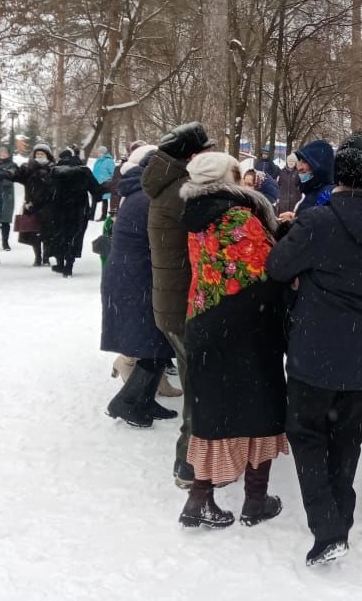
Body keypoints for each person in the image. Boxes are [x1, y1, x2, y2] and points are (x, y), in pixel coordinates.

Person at [266, 133, 362, 567]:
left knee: (307, 437)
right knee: (347, 441)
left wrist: (295, 246)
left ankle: (328, 530)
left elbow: (277, 267)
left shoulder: (321, 222)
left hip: (316, 352)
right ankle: (339, 521)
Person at [178, 151, 288, 530]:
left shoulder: (196, 214)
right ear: (230, 176)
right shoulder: (237, 217)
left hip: (205, 321)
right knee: (262, 411)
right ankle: (255, 500)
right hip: (247, 329)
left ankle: (199, 498)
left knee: (213, 414)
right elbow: (266, 272)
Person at [143, 122, 217, 489]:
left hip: (172, 303)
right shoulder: (183, 193)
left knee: (197, 383)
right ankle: (188, 464)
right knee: (200, 389)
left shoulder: (168, 186)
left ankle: (198, 458)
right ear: (191, 157)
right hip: (185, 304)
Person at [101, 144, 179, 428]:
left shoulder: (141, 192)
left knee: (155, 344)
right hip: (137, 279)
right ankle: (126, 402)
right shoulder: (148, 198)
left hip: (136, 276)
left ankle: (143, 400)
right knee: (152, 343)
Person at [44, 149, 104, 277]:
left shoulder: (54, 171)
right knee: (74, 236)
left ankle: (60, 263)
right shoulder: (83, 171)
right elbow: (96, 190)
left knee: (59, 235)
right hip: (78, 209)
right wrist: (105, 187)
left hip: (58, 209)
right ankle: (69, 266)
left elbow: (48, 191)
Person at [4, 144, 55, 266]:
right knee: (34, 233)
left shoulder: (53, 168)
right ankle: (38, 257)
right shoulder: (28, 169)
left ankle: (46, 257)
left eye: (42, 154)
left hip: (49, 205)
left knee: (48, 233)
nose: (39, 156)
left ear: (47, 155)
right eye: (37, 154)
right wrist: (10, 172)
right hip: (32, 205)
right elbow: (16, 176)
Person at [283, 140, 334, 221]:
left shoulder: (325, 196)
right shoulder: (314, 190)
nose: (299, 167)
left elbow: (314, 228)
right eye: (299, 161)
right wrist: (295, 218)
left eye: (304, 161)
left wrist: (294, 224)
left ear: (319, 165)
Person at [109, 141, 146, 215]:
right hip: (125, 208)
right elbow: (115, 190)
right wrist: (114, 210)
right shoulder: (122, 168)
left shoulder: (151, 168)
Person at [0, 146, 15, 251]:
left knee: (5, 220)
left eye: (5, 152)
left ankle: (5, 242)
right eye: (1, 151)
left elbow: (11, 178)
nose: (3, 154)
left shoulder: (12, 165)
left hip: (7, 195)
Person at [92, 146, 116, 221]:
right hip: (97, 183)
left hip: (105, 184)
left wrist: (108, 180)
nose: (98, 154)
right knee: (94, 199)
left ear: (104, 153)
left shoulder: (109, 161)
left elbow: (113, 173)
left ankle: (103, 216)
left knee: (104, 199)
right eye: (98, 152)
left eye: (100, 152)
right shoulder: (98, 161)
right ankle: (91, 216)